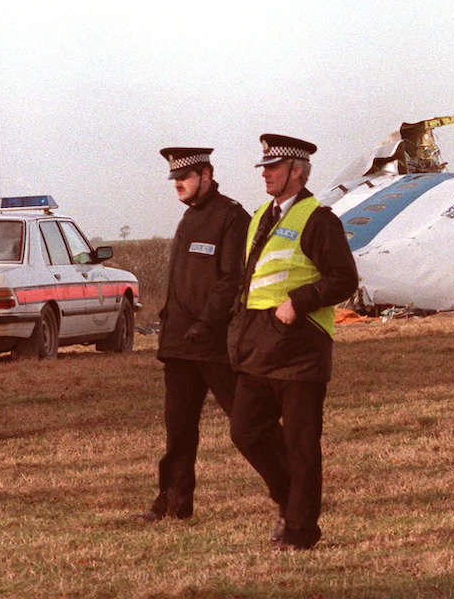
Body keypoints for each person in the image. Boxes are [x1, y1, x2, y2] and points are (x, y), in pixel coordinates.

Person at [228, 134, 358, 550]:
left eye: (273, 167)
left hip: (300, 348)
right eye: (264, 167)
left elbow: (344, 279)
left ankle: (301, 530)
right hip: (259, 345)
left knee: (301, 445)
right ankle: (290, 501)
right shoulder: (258, 217)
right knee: (245, 430)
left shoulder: (319, 220)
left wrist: (298, 303)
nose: (265, 174)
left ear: (297, 172)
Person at [139, 147, 251, 521]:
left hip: (215, 345)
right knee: (179, 431)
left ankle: (294, 493)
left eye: (184, 176)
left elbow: (233, 280)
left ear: (206, 174)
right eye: (174, 178)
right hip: (181, 346)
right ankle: (173, 503)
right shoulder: (189, 218)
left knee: (249, 424)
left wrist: (206, 324)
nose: (178, 184)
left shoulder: (232, 217)